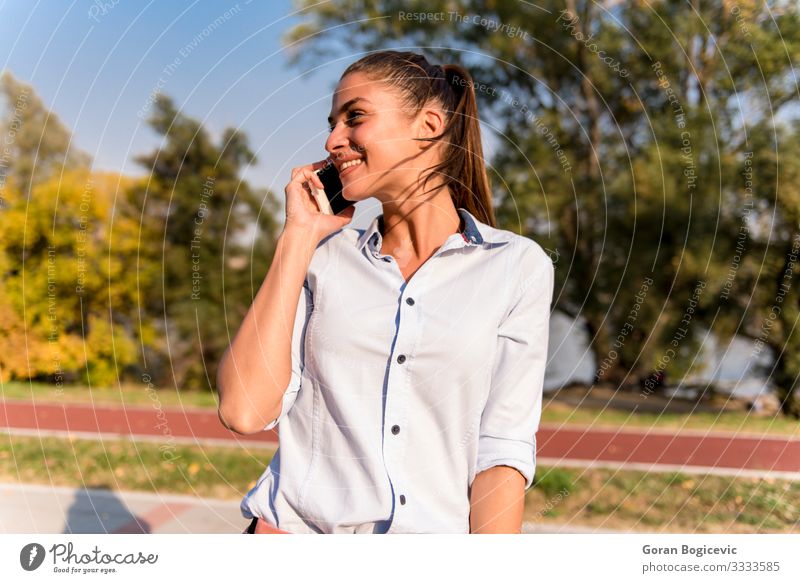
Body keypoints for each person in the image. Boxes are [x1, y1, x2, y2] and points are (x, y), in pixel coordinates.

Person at [217, 50, 555, 534]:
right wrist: (298, 237)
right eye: (332, 123)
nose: (333, 140)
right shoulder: (323, 255)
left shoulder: (517, 266)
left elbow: (501, 448)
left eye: (354, 117)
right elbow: (244, 410)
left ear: (430, 124)